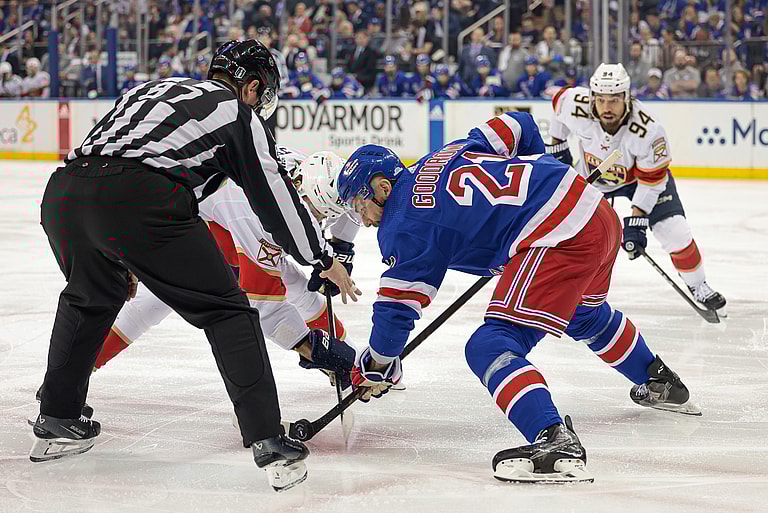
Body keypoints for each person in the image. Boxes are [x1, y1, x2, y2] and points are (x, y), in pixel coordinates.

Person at [32, 39, 358, 493]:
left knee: (88, 300)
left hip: (65, 194)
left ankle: (57, 417)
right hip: (141, 199)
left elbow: (115, 159)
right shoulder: (237, 114)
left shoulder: (152, 89)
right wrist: (321, 259)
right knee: (227, 309)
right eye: (262, 96)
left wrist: (125, 257)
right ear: (252, 87)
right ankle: (267, 439)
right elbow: (273, 199)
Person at [336, 112, 700, 483]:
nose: (361, 219)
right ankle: (660, 381)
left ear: (382, 188)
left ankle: (553, 439)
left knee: (489, 347)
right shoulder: (443, 154)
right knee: (583, 316)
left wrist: (378, 363)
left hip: (560, 238)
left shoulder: (402, 222)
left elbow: (397, 307)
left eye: (358, 205)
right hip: (597, 213)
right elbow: (520, 124)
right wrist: (541, 178)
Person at [85, 150, 360, 397]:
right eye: (314, 214)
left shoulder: (308, 171)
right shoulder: (256, 214)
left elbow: (349, 210)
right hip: (177, 218)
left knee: (296, 284)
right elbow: (265, 305)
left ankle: (356, 364)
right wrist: (312, 348)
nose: (317, 222)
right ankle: (78, 371)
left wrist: (341, 250)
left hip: (196, 203)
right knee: (157, 297)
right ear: (300, 195)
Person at [547, 63, 726, 314]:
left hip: (638, 181)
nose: (607, 108)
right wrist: (557, 145)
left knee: (674, 230)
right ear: (592, 98)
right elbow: (558, 105)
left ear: (627, 98)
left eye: (614, 100)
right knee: (559, 224)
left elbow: (651, 181)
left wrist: (637, 219)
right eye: (601, 100)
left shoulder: (648, 130)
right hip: (592, 177)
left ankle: (699, 285)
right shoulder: (574, 105)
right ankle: (555, 282)